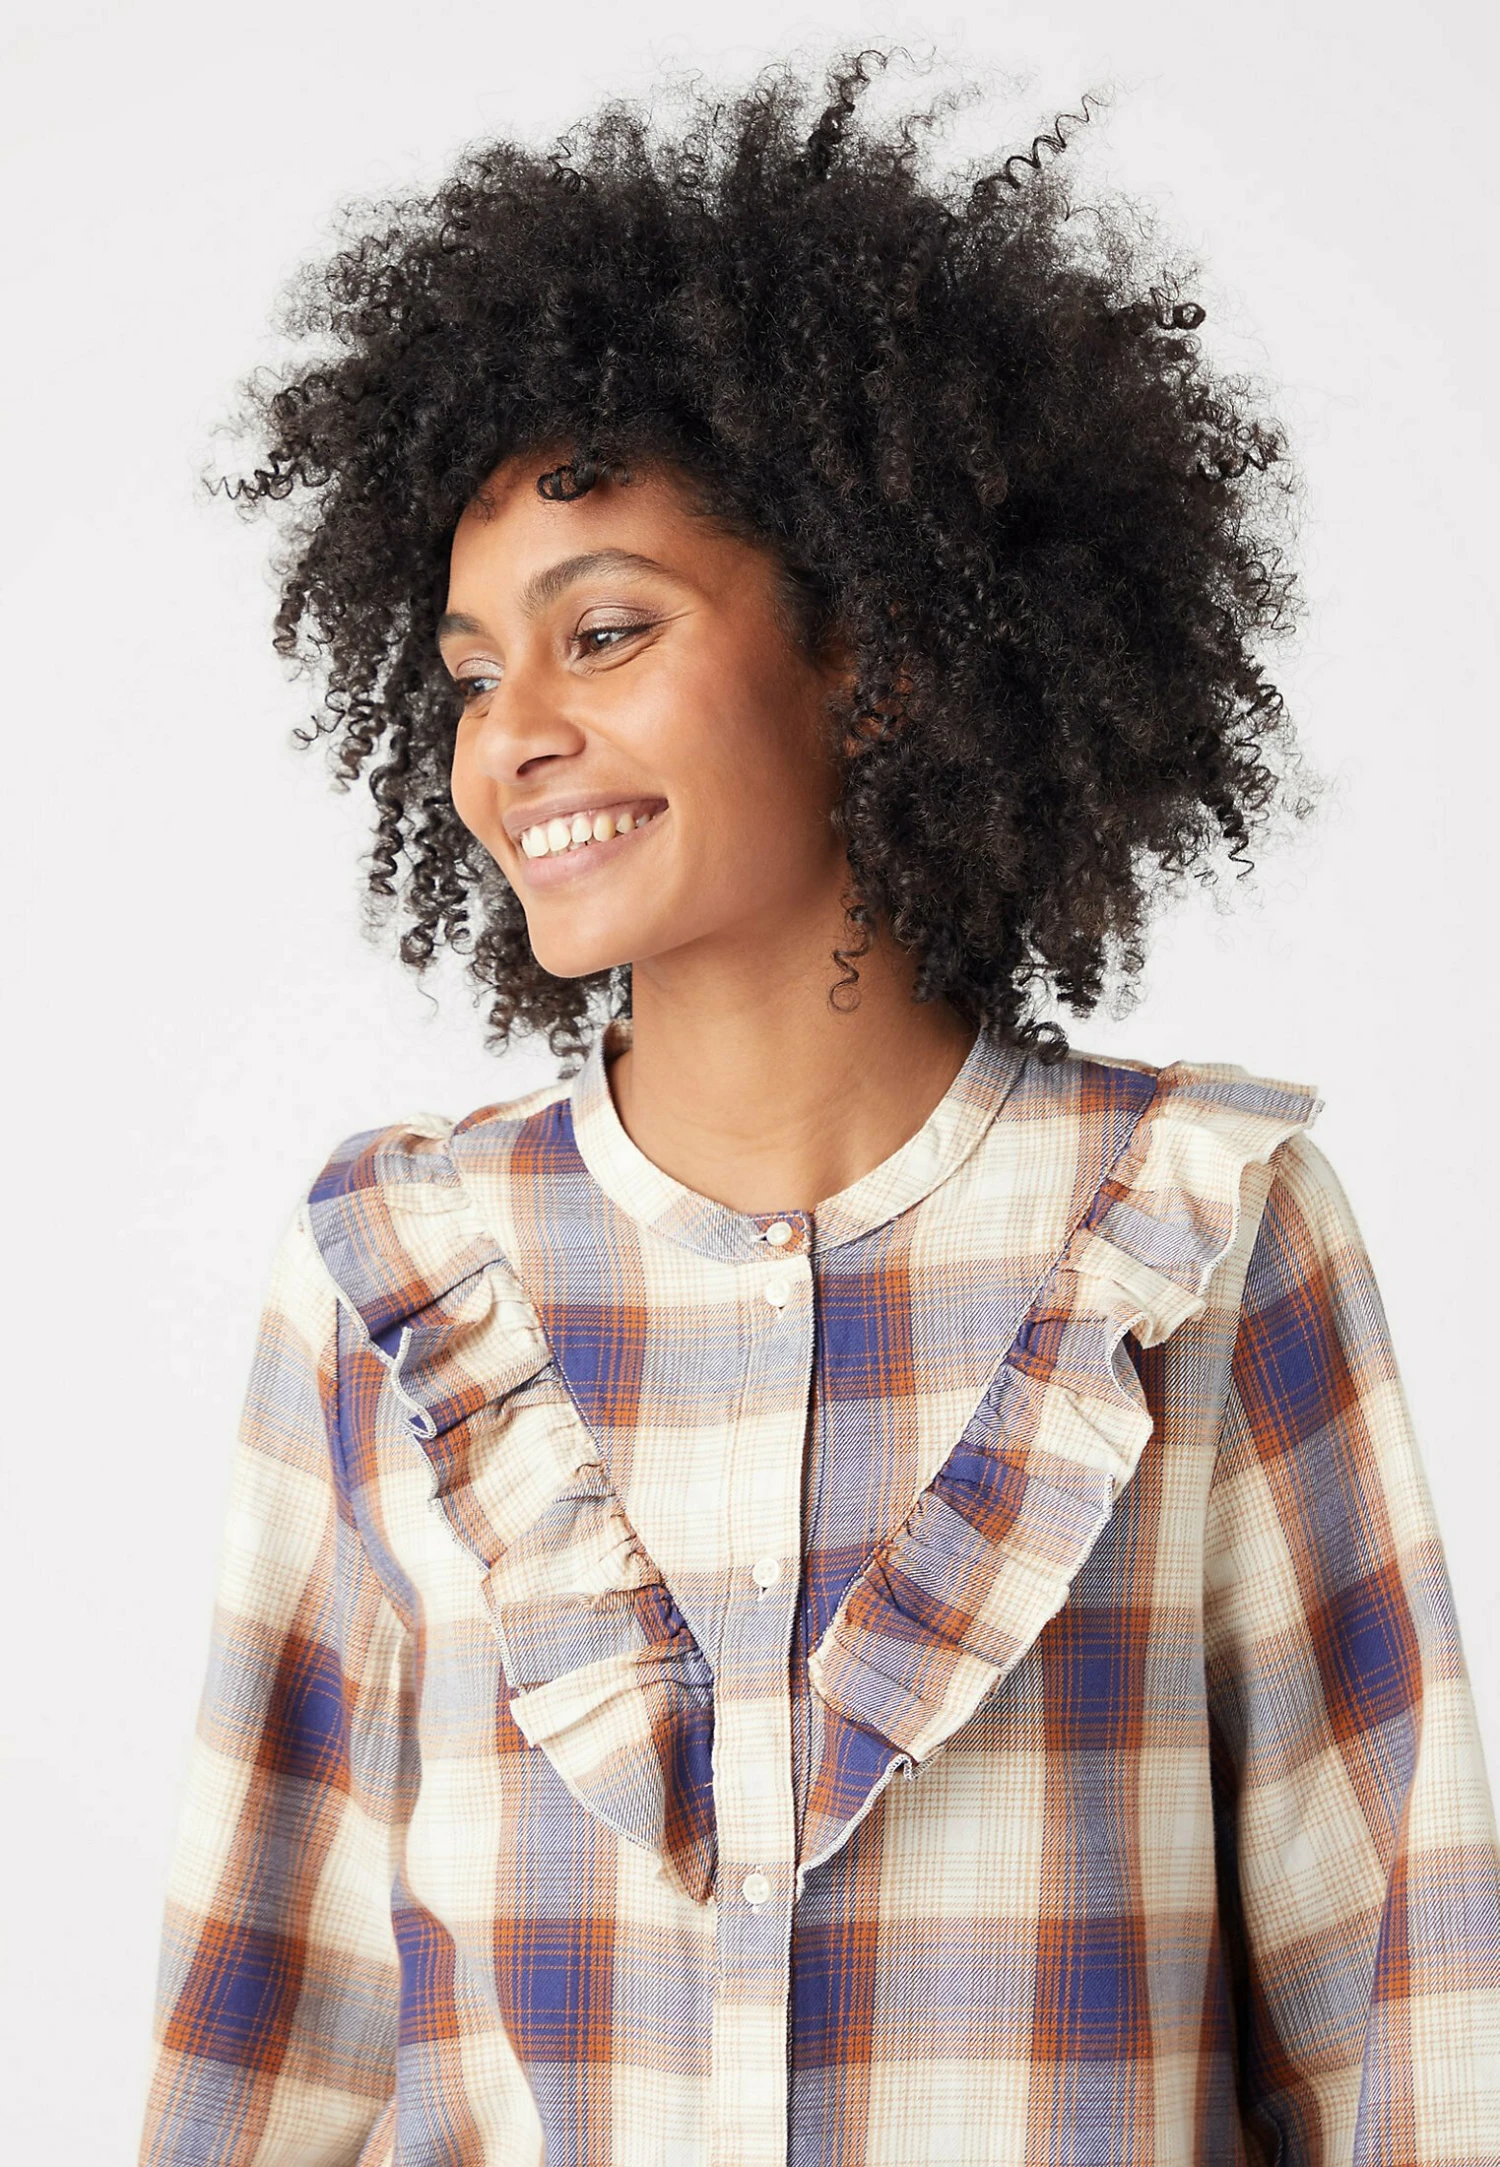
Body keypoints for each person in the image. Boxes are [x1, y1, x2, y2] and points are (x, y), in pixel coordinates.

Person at [137, 48, 1500, 2167]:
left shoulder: (1204, 1234)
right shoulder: (393, 1292)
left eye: (604, 632)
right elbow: (273, 2049)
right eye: (474, 674)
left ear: (873, 649)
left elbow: (1404, 2013)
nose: (514, 737)